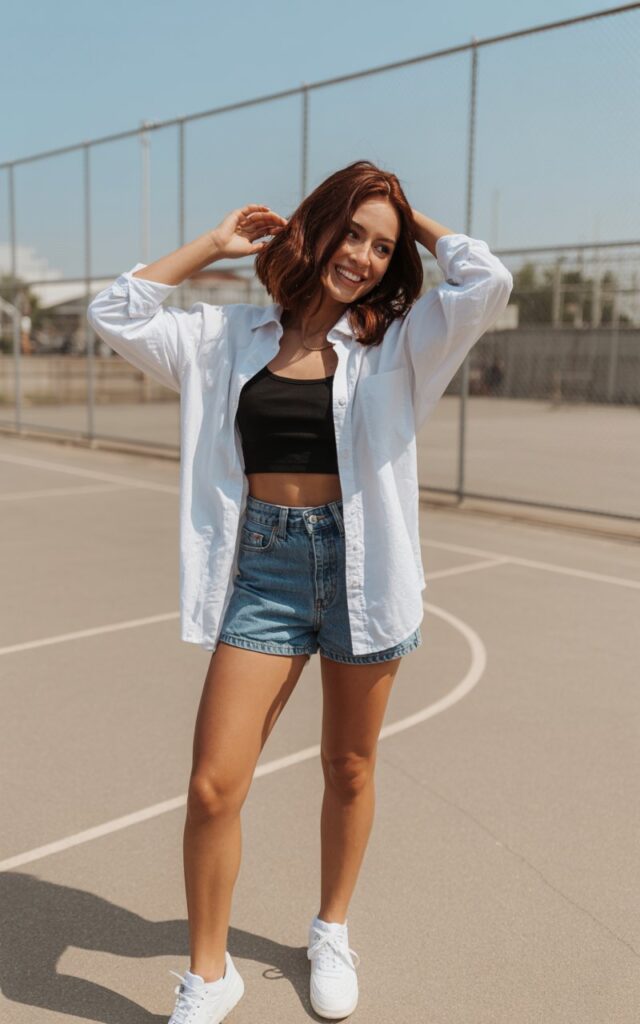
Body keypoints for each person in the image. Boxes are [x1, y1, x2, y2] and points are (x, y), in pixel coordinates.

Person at [87, 159, 513, 1024]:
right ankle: (211, 976)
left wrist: (407, 215)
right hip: (263, 573)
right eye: (351, 232)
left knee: (349, 768)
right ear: (318, 229)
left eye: (380, 247)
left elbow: (487, 279)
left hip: (363, 573)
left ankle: (331, 928)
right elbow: (114, 311)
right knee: (214, 786)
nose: (361, 255)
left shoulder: (399, 344)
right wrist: (212, 245)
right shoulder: (227, 338)